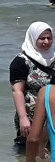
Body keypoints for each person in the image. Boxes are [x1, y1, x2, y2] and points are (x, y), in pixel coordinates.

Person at [11, 23, 55, 154]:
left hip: (52, 115)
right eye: (42, 38)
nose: (46, 41)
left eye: (49, 37)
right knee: (28, 153)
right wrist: (23, 117)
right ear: (33, 38)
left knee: (49, 153)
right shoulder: (20, 61)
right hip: (31, 116)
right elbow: (17, 91)